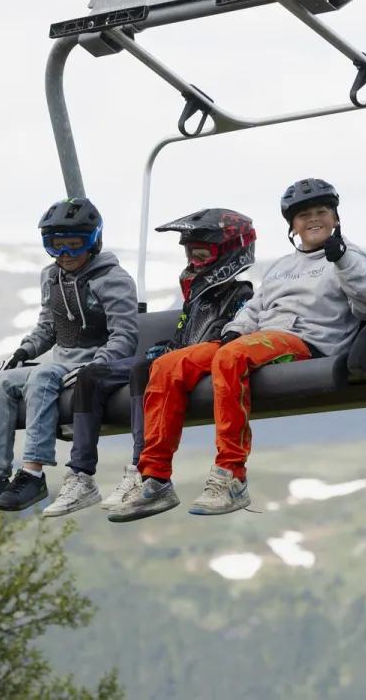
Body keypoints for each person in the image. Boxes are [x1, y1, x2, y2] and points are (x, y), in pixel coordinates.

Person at [109, 178, 366, 523]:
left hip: (309, 342)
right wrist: (235, 331)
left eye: (322, 212)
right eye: (304, 215)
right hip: (261, 339)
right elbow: (255, 308)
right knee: (169, 366)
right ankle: (154, 478)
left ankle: (232, 475)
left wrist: (344, 262)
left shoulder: (349, 257)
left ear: (335, 218)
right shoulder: (282, 267)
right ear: (293, 225)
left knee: (231, 358)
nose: (313, 219)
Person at [43, 207, 258, 518]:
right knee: (92, 375)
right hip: (175, 358)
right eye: (191, 254)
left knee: (146, 369)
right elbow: (186, 335)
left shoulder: (241, 294)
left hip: (196, 366)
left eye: (202, 254)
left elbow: (217, 340)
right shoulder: (196, 294)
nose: (194, 262)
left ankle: (140, 471)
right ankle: (80, 475)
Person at [0, 196, 139, 521]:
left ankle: (33, 475)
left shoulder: (113, 280)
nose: (65, 255)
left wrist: (95, 366)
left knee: (43, 377)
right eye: (56, 246)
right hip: (60, 362)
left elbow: (125, 336)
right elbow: (48, 327)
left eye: (75, 245)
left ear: (94, 241)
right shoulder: (51, 277)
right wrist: (24, 351)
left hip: (94, 367)